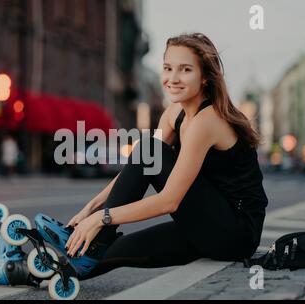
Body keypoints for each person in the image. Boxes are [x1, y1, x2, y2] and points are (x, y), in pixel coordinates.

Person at [64, 32, 269, 280]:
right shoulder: (175, 113)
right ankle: (32, 271)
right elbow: (138, 168)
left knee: (149, 148)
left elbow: (169, 201)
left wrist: (103, 218)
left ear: (205, 77)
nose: (173, 78)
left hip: (236, 232)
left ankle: (97, 241)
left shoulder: (209, 120)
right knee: (108, 254)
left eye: (185, 70)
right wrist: (91, 208)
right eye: (168, 68)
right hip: (203, 221)